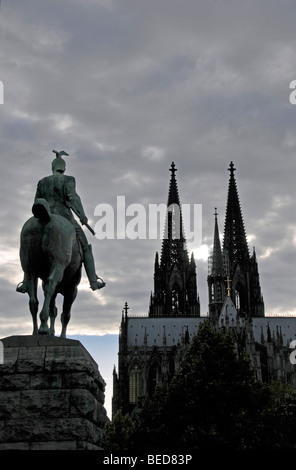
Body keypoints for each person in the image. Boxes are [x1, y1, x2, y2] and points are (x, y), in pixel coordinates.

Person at [17, 150, 105, 293]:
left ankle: (26, 282)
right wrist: (82, 215)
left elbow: (36, 202)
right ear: (64, 168)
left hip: (42, 216)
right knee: (85, 247)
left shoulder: (42, 182)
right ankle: (94, 281)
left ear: (53, 168)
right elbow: (73, 197)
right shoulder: (68, 179)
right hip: (65, 217)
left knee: (28, 247)